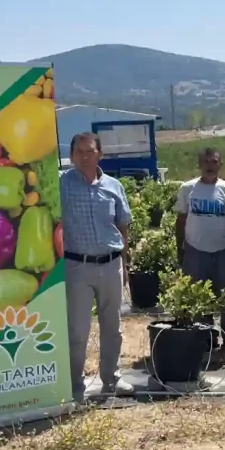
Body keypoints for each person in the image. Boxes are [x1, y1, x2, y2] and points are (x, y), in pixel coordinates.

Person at [60, 132, 135, 401]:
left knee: (112, 327)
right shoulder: (61, 185)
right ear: (71, 156)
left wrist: (124, 264)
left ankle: (111, 379)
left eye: (90, 151)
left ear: (100, 153)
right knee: (78, 330)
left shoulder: (114, 186)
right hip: (77, 265)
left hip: (111, 263)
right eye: (79, 151)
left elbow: (123, 225)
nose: (85, 156)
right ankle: (74, 386)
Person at [175, 147, 225, 344]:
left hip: (222, 251)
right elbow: (180, 221)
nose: (210, 166)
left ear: (220, 164)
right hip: (195, 250)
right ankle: (205, 336)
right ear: (199, 164)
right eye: (206, 162)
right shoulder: (187, 189)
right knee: (199, 296)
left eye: (214, 162)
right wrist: (180, 248)